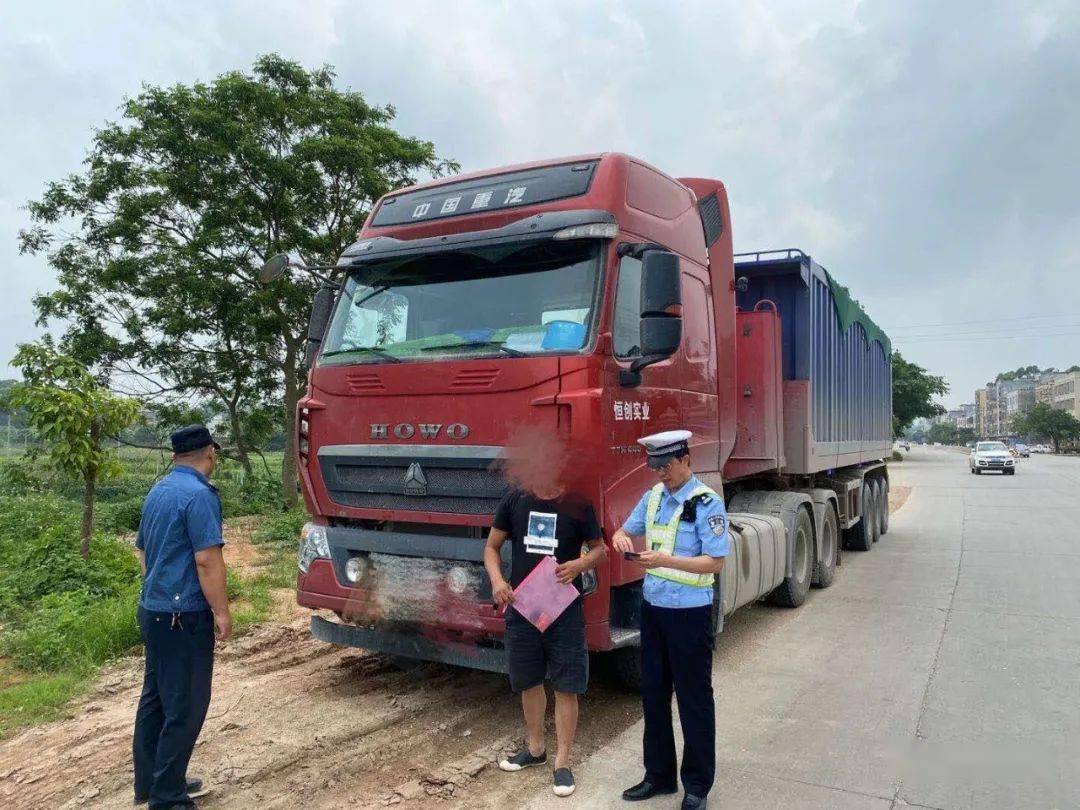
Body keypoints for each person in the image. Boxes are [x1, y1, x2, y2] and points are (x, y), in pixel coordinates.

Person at [612, 430, 729, 810]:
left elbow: (716, 562)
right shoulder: (652, 498)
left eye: (666, 466)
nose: (661, 474)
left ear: (686, 460)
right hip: (655, 610)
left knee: (694, 699)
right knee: (654, 695)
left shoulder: (707, 502)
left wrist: (664, 561)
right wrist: (620, 539)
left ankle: (696, 786)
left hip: (691, 614)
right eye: (655, 467)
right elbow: (625, 530)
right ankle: (658, 776)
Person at [484, 472, 606, 798]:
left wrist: (579, 566)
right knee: (529, 680)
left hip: (563, 609)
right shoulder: (514, 499)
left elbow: (599, 550)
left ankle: (563, 763)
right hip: (523, 607)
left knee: (567, 685)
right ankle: (535, 750)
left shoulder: (578, 503)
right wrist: (497, 582)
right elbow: (492, 548)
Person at [132, 425, 231, 808]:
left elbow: (143, 553)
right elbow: (207, 559)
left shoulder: (159, 490)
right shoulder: (199, 496)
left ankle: (153, 782)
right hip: (182, 616)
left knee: (156, 700)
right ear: (209, 453)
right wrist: (221, 611)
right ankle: (168, 797)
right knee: (186, 705)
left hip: (153, 610)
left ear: (176, 456)